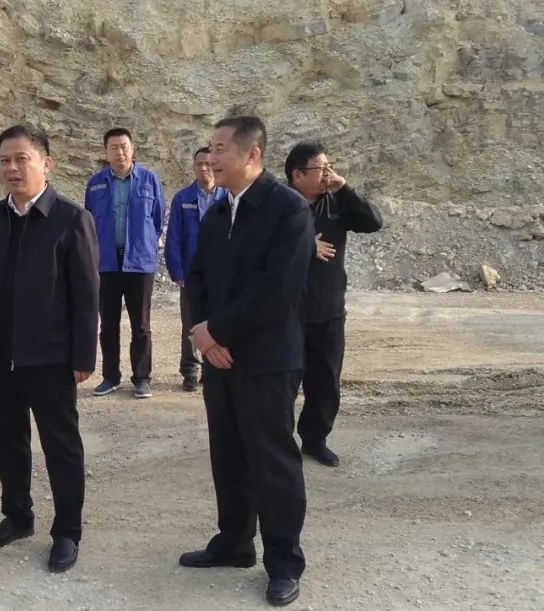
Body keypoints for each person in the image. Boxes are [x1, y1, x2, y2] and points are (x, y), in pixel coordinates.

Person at [179, 116, 315, 607]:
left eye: (220, 149)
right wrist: (204, 333)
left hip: (267, 360)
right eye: (210, 149)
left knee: (273, 462)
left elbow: (276, 291)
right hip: (221, 358)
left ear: (251, 155)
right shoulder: (218, 212)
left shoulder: (287, 210)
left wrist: (216, 331)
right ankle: (235, 543)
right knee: (229, 454)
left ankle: (284, 562)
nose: (210, 158)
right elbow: (197, 277)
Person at [0, 124, 99, 573]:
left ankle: (67, 531)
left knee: (61, 445)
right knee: (7, 440)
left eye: (22, 158)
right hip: (1, 356)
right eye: (5, 160)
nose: (12, 168)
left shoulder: (71, 219)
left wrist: (83, 355)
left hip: (51, 358)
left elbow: (86, 296)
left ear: (46, 163)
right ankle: (17, 516)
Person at [285, 141, 383, 467]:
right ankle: (279, 442)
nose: (328, 173)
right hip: (287, 314)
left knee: (326, 384)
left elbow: (373, 222)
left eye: (329, 166)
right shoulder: (278, 204)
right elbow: (258, 245)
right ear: (297, 175)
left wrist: (344, 188)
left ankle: (315, 440)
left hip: (328, 311)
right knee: (283, 384)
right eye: (321, 168)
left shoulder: (336, 202)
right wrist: (304, 245)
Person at [84, 128, 165, 399]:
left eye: (124, 146)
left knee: (141, 324)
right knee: (108, 324)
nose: (120, 152)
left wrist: (143, 244)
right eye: (114, 147)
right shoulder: (95, 183)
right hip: (106, 261)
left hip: (139, 262)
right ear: (105, 152)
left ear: (132, 149)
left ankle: (141, 378)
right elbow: (89, 221)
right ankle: (111, 377)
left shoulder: (149, 180)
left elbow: (156, 219)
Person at [165, 146, 227, 392]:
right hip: (191, 273)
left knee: (219, 319)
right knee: (190, 322)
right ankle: (191, 368)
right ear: (193, 168)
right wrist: (177, 271)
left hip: (221, 272)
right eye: (199, 164)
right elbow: (173, 238)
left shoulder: (226, 196)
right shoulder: (183, 198)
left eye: (208, 163)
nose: (204, 168)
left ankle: (214, 366)